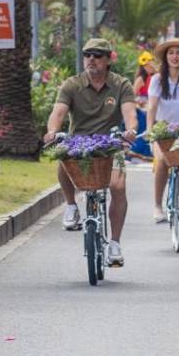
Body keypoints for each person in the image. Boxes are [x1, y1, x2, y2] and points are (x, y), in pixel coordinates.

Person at [43, 38, 138, 266]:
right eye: (88, 55)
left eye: (97, 55)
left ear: (108, 60)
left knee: (118, 187)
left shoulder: (121, 84)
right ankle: (71, 206)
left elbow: (130, 115)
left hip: (110, 144)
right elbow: (57, 114)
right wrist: (52, 132)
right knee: (63, 154)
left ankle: (114, 244)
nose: (91, 59)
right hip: (79, 144)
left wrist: (131, 131)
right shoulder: (72, 85)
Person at [148, 39, 179, 223]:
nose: (175, 57)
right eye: (171, 53)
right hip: (163, 131)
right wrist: (151, 132)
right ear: (165, 57)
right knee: (161, 162)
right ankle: (158, 205)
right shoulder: (158, 80)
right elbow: (152, 107)